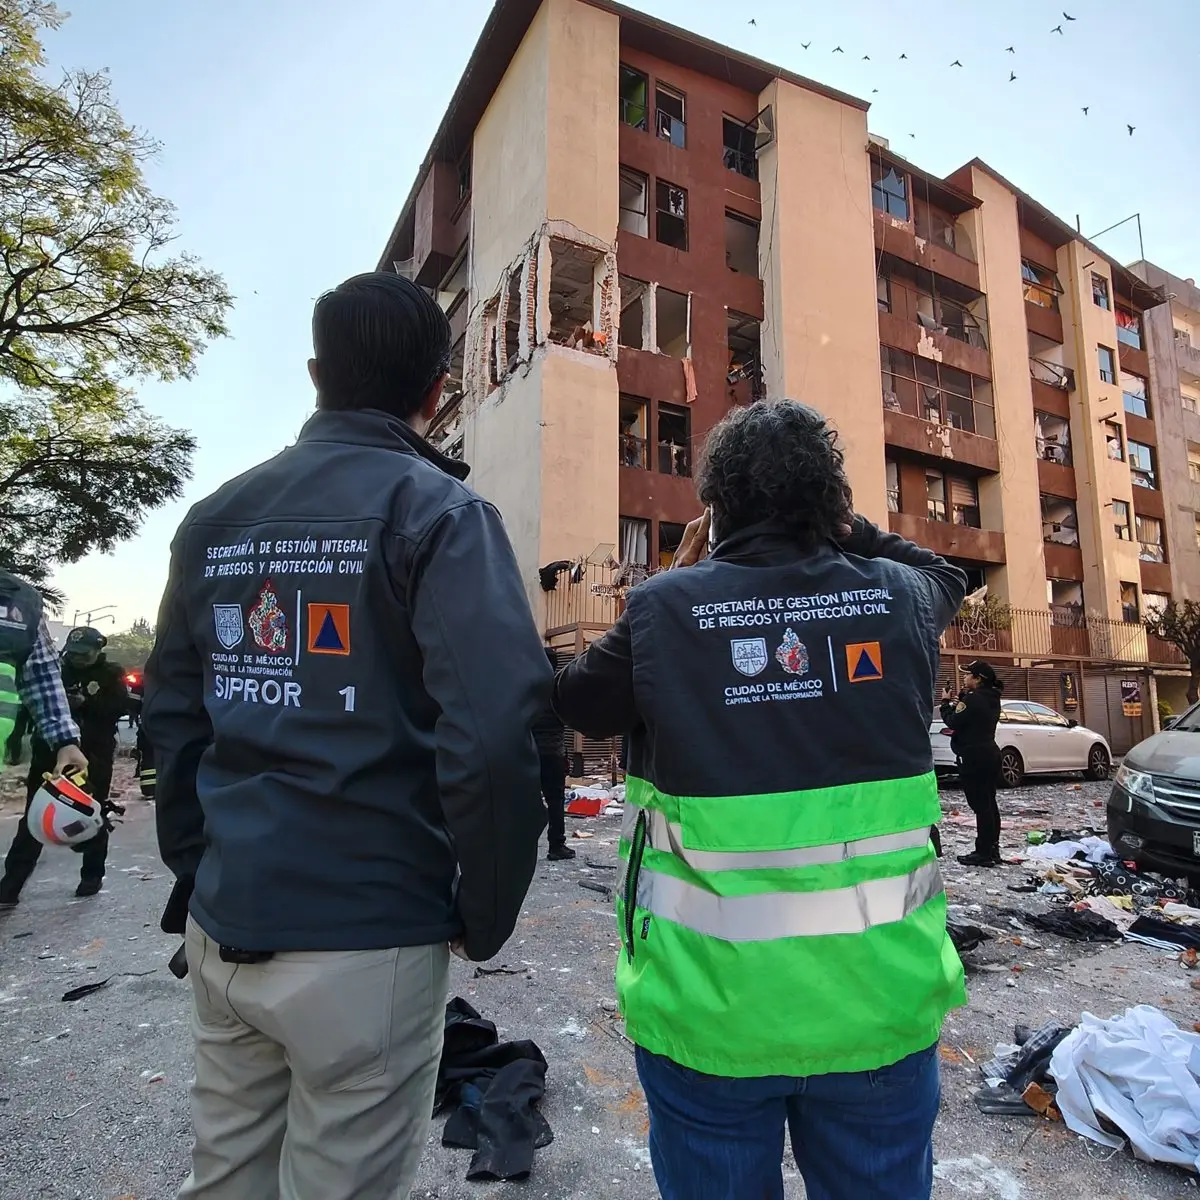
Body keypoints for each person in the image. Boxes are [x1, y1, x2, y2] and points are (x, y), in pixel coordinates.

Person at [144, 271, 550, 1200]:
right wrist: (482, 914)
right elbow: (490, 736)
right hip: (368, 940)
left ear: (316, 373)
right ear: (436, 390)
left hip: (228, 928)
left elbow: (173, 721)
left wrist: (203, 872)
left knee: (227, 1176)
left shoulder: (214, 521)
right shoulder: (441, 514)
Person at [554, 401, 968, 1200]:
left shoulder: (665, 610)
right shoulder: (901, 598)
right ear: (833, 502)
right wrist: (849, 530)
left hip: (710, 1015)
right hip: (878, 1010)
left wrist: (679, 598)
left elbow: (577, 701)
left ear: (717, 504)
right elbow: (950, 575)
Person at [0, 614, 102, 906]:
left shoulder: (109, 673)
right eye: (76, 654)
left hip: (88, 757)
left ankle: (91, 876)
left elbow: (41, 685)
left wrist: (82, 711)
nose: (80, 660)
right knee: (33, 821)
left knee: (92, 818)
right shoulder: (61, 667)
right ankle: (11, 885)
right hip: (47, 754)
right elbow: (24, 705)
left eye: (86, 655)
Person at [941, 660, 1004, 867]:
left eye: (968, 675)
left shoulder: (973, 699)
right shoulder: (992, 698)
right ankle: (992, 848)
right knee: (989, 804)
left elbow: (953, 721)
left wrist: (945, 703)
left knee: (981, 806)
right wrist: (962, 700)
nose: (965, 678)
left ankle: (983, 852)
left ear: (977, 679)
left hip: (974, 757)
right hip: (990, 754)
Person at [533, 647, 575, 861]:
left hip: (529, 753)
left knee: (526, 800)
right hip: (554, 752)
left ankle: (522, 846)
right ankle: (556, 845)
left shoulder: (529, 688)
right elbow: (570, 717)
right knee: (555, 800)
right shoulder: (559, 689)